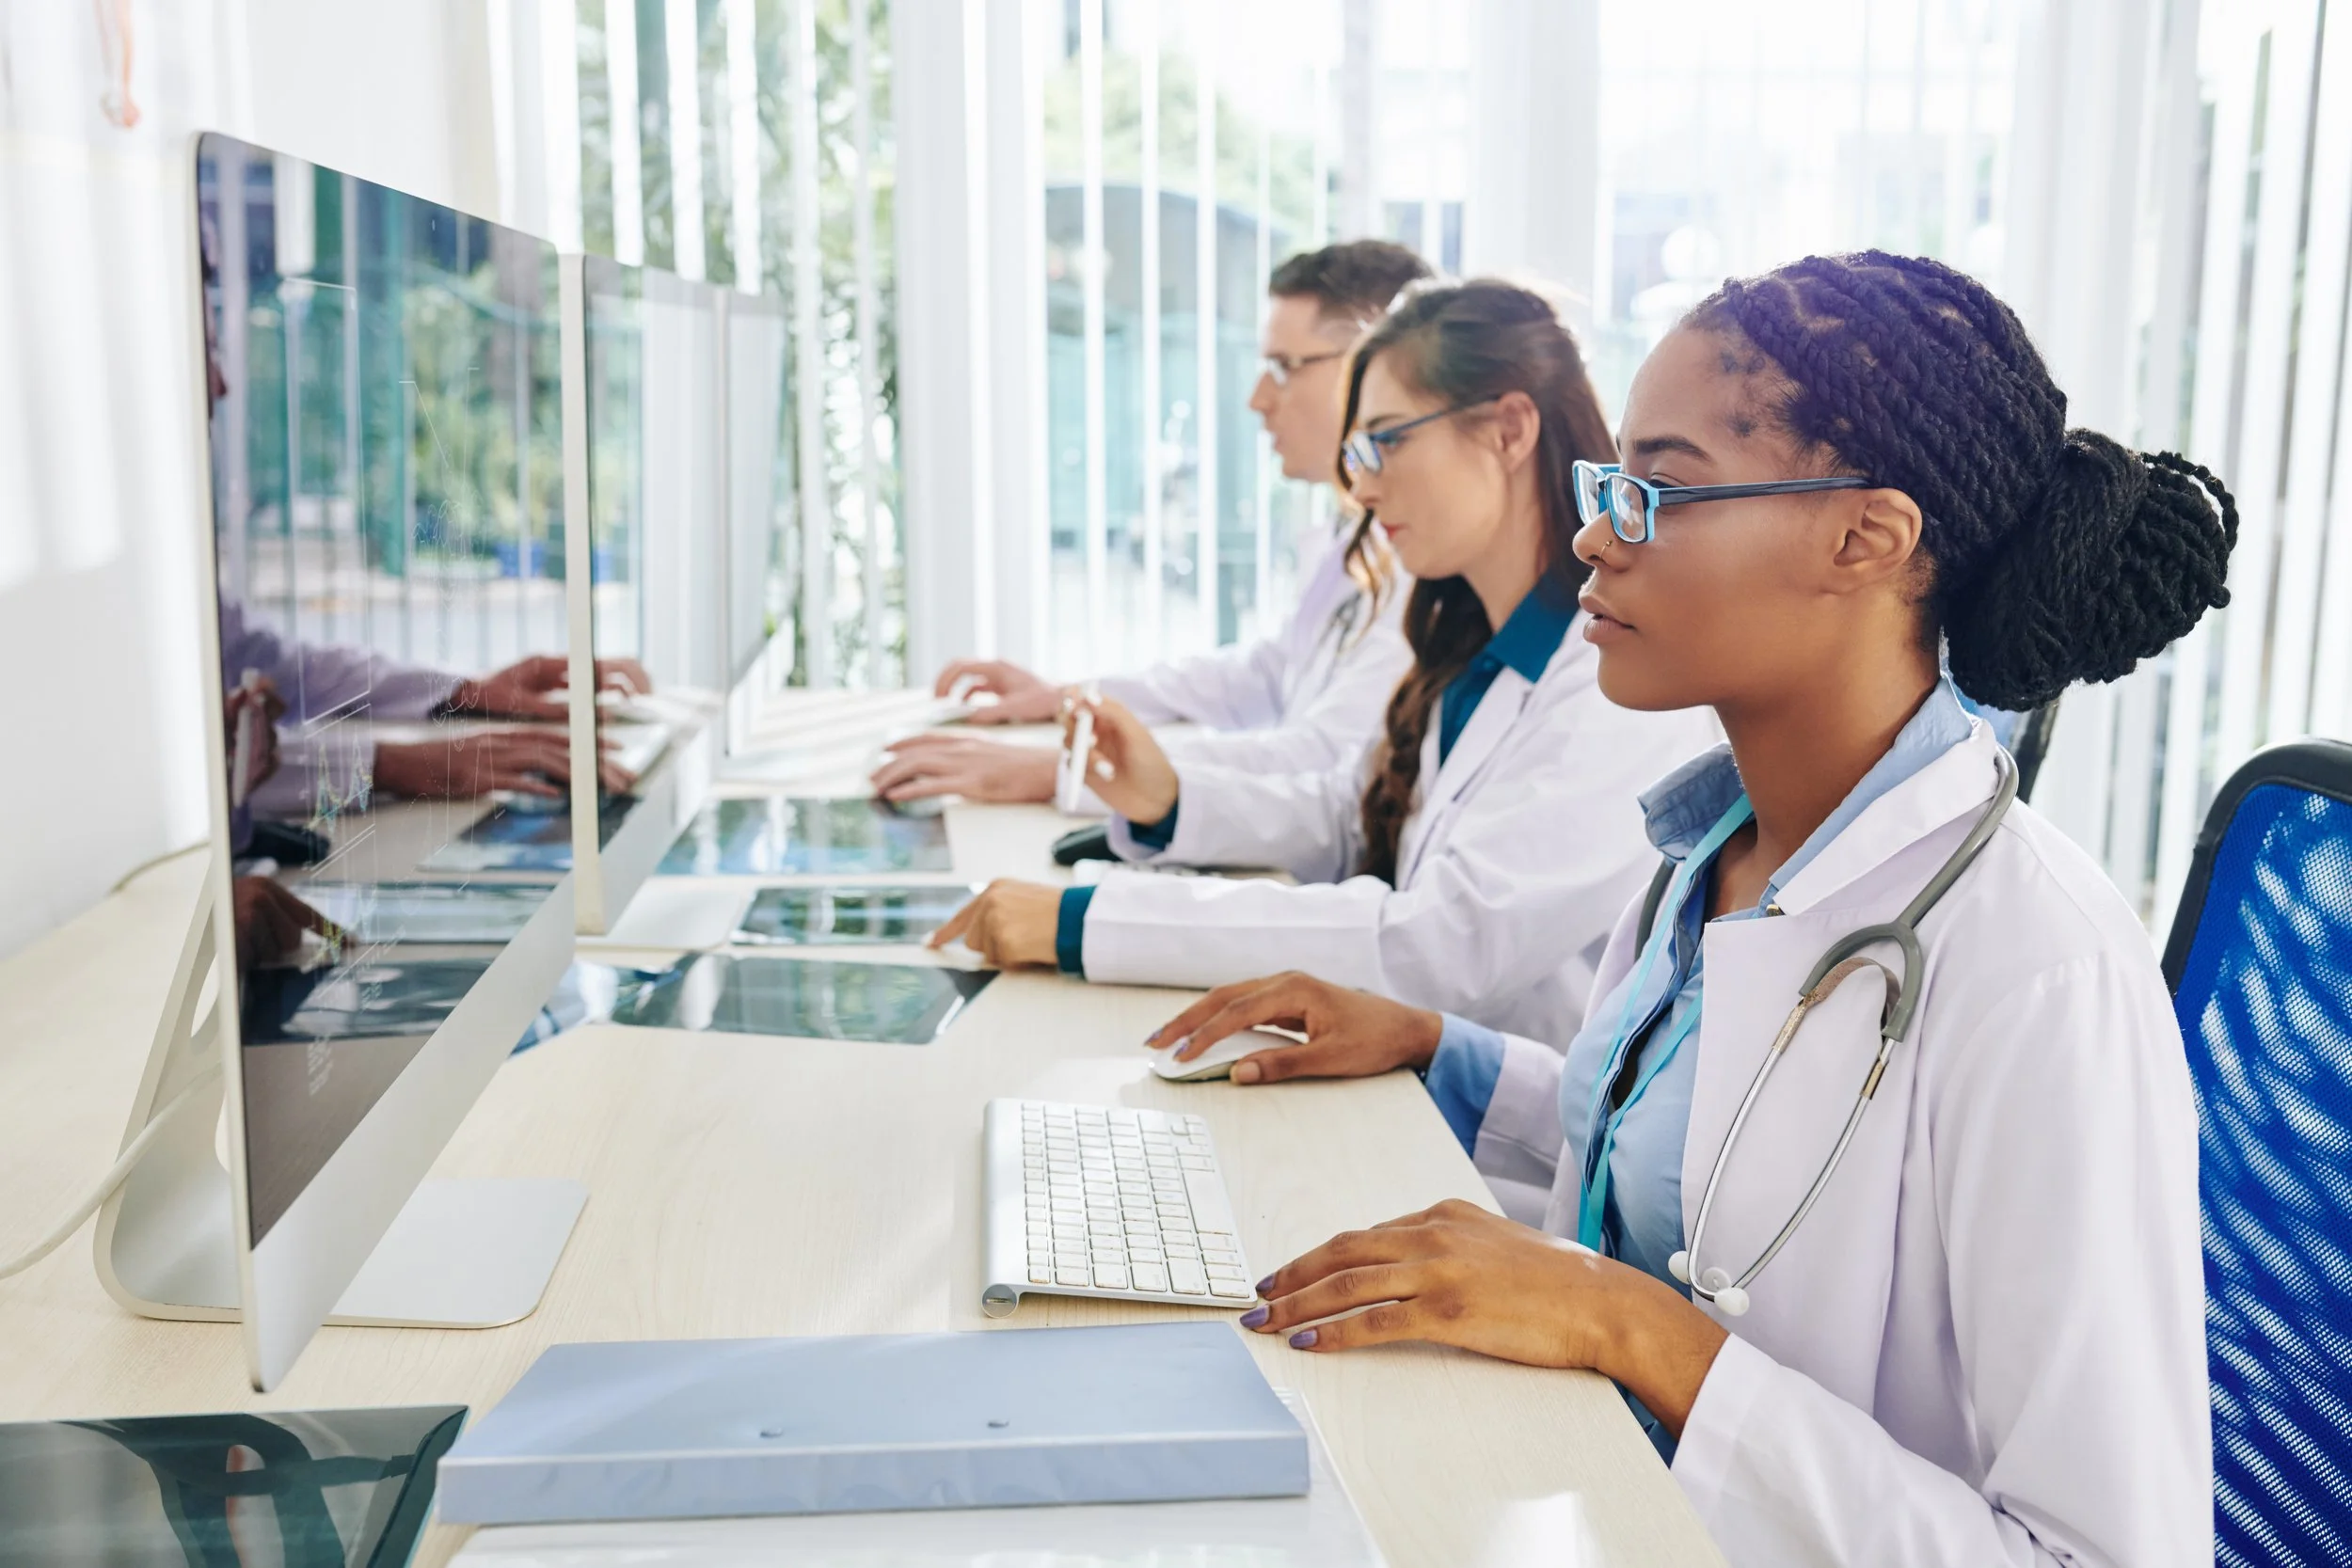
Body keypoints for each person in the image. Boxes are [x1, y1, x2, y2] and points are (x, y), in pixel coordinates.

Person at [1146, 253, 2233, 1565]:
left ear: (1864, 539)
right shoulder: (1712, 850)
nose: (1598, 531)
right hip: (1575, 1496)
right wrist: (1441, 1048)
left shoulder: (2037, 967)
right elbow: (1699, 1169)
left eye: (1659, 489)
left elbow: (2102, 1552)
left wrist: (1640, 1330)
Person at [932, 280, 1718, 1037]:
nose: (1361, 488)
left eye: (1381, 442)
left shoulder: (1614, 684)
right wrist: (1172, 798)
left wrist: (1086, 922)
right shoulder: (1478, 643)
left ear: (1509, 431)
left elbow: (1443, 941)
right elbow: (1359, 813)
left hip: (1501, 1152)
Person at [870, 240, 1429, 805]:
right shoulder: (1356, 538)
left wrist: (1067, 771)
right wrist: (1073, 700)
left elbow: (1321, 756)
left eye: (1285, 368)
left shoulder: (1422, 562)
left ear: (1373, 363)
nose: (1259, 399)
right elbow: (1264, 676)